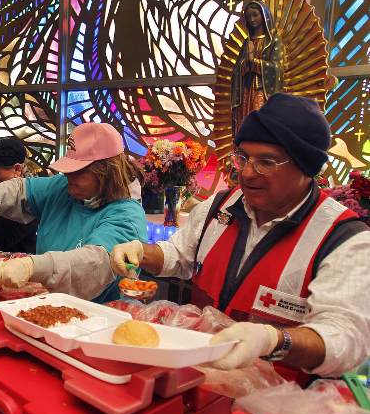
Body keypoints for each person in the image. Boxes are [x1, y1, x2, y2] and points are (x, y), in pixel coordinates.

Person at [112, 93, 370, 378]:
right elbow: (180, 255)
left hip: (274, 403)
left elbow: (346, 338)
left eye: (267, 162)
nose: (247, 173)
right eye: (243, 157)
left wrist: (272, 340)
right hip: (196, 377)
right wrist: (141, 251)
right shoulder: (220, 207)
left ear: (306, 167)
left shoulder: (344, 239)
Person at [0, 123, 148, 301]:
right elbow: (21, 190)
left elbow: (93, 264)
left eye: (78, 170)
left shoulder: (126, 214)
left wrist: (32, 266)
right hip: (52, 304)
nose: (68, 176)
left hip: (99, 315)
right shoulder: (64, 187)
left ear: (106, 172)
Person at [230, 0, 283, 136]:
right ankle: (244, 152)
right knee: (245, 121)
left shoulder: (272, 41)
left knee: (259, 119)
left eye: (255, 15)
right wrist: (244, 65)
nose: (252, 19)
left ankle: (259, 151)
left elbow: (276, 68)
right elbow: (236, 72)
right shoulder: (247, 43)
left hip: (262, 89)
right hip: (246, 90)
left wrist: (255, 63)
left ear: (264, 16)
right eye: (248, 17)